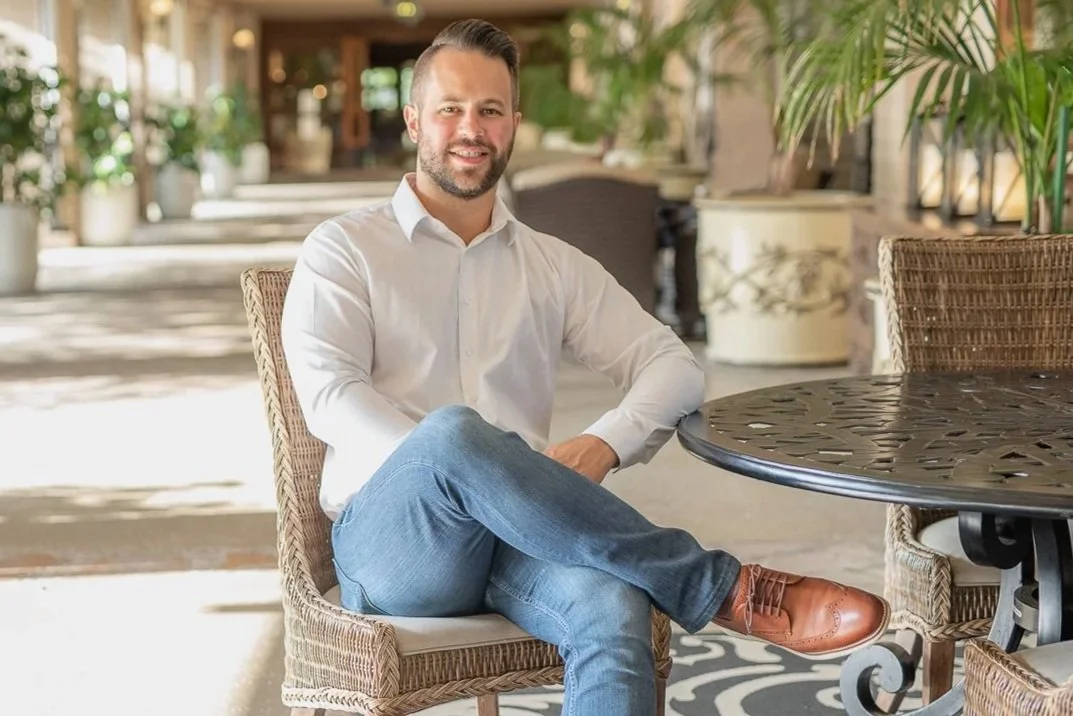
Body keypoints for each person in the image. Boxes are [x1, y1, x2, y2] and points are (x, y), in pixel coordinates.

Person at [281, 18, 888, 715]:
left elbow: (672, 365)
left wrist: (604, 442)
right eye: (450, 109)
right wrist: (458, 465)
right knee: (450, 436)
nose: (470, 129)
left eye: (490, 110)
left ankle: (703, 588)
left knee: (612, 602)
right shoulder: (344, 249)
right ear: (415, 120)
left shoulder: (551, 264)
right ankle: (719, 589)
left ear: (514, 124)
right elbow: (330, 396)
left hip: (522, 537)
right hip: (397, 546)